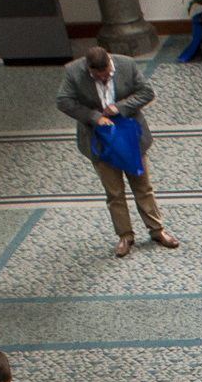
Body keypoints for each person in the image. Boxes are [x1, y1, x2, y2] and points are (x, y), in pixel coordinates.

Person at [53, 46, 177, 258]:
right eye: (97, 74)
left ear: (110, 63)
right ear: (88, 68)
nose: (102, 77)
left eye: (105, 73)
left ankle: (157, 231)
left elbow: (147, 92)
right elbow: (63, 101)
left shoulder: (126, 65)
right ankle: (125, 236)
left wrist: (120, 107)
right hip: (100, 141)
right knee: (114, 192)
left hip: (130, 138)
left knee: (143, 186)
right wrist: (94, 117)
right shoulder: (73, 72)